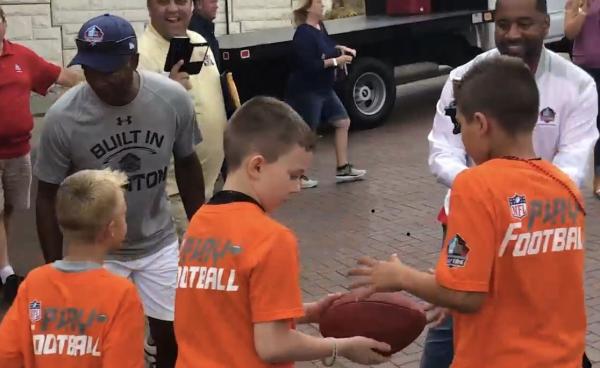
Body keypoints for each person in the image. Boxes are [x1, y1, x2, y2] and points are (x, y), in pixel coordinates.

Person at [351, 55, 587, 368]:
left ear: (481, 123)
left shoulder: (476, 186)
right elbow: (521, 273)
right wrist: (448, 282)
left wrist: (402, 276)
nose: (461, 137)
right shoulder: (566, 187)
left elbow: (465, 296)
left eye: (460, 126)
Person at [425, 0, 598, 366]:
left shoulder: (577, 84)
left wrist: (512, 195)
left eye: (524, 24)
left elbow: (575, 163)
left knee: (540, 305)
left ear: (545, 22)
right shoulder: (464, 78)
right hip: (473, 213)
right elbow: (442, 150)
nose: (512, 34)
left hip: (542, 217)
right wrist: (486, 192)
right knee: (450, 316)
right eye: (503, 25)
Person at [34, 14, 205, 368]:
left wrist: (201, 228)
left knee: (172, 337)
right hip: (98, 252)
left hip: (158, 241)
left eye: (109, 70)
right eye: (90, 69)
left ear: (134, 61)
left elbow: (187, 163)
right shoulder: (63, 118)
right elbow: (46, 195)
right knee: (100, 346)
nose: (98, 81)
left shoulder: (171, 99)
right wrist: (55, 271)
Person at [174, 96, 390, 367]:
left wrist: (309, 312)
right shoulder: (272, 239)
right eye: (294, 175)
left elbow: (227, 312)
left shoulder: (199, 223)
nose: (298, 187)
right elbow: (273, 346)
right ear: (257, 166)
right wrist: (341, 346)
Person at [0, 169, 145, 368]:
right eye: (124, 215)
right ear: (111, 229)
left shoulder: (34, 284)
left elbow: (7, 355)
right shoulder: (121, 295)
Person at [0, 5, 81, 306]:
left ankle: (0, 264)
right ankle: (7, 273)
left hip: (19, 152)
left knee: (9, 209)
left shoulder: (22, 57)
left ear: (4, 24)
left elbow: (61, 76)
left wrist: (92, 82)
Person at [139, 0, 227, 202]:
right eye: (162, 2)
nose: (172, 9)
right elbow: (137, 125)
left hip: (208, 184)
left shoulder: (198, 40)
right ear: (149, 6)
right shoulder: (140, 56)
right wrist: (168, 93)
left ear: (191, 6)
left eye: (180, 1)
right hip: (175, 193)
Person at [286, 0, 366, 189]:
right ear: (308, 8)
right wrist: (337, 61)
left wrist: (340, 50)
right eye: (319, 3)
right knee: (307, 133)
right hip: (308, 90)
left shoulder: (320, 27)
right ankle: (298, 176)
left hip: (324, 89)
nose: (323, 6)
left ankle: (343, 168)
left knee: (343, 122)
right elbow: (309, 66)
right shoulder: (303, 34)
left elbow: (327, 49)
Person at [565, 0, 600, 198]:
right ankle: (570, 176)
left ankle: (598, 178)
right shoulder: (578, 0)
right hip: (585, 69)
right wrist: (583, 13)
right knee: (583, 124)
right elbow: (569, 32)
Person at [189, 0, 221, 71]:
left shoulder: (206, 29)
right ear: (199, 4)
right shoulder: (195, 34)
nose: (216, 6)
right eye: (213, 2)